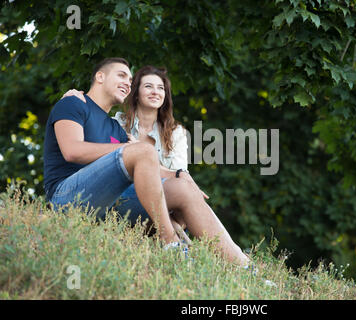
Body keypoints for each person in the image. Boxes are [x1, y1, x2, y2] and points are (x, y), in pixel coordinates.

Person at [48, 58, 250, 266]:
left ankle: (245, 268)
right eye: (121, 75)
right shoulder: (74, 103)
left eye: (129, 78)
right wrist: (131, 149)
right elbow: (71, 151)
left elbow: (147, 163)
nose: (127, 81)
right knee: (144, 150)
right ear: (100, 76)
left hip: (107, 207)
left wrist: (183, 179)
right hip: (68, 199)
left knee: (183, 186)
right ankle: (170, 242)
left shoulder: (116, 129)